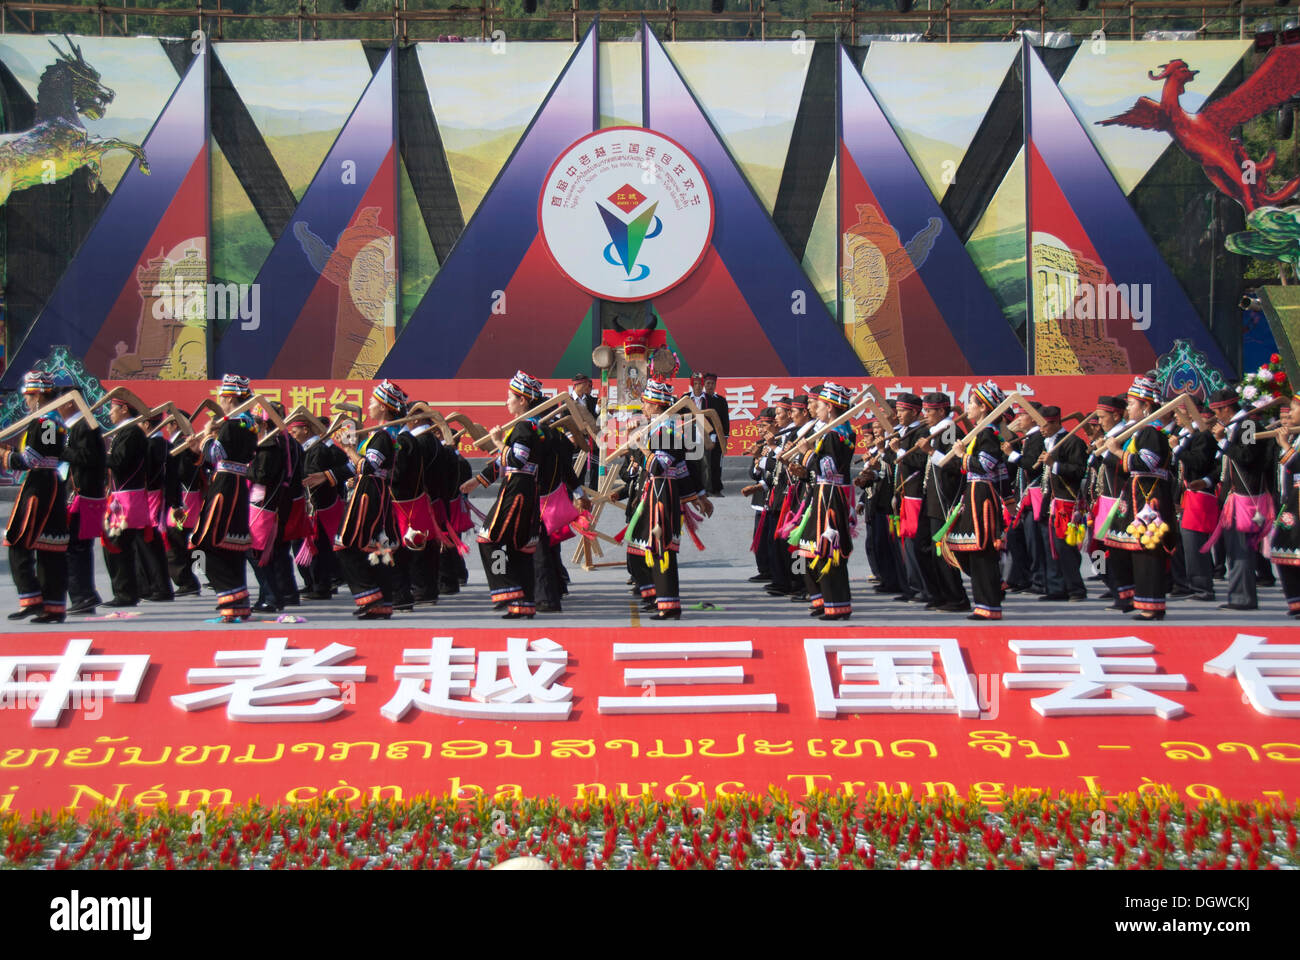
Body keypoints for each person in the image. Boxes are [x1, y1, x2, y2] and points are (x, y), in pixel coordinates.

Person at [624, 377, 713, 619]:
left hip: (662, 495)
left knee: (660, 548)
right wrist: (697, 497)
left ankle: (668, 605)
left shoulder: (666, 430)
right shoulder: (657, 428)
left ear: (656, 405)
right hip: (654, 493)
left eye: (646, 403)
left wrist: (640, 447)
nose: (643, 407)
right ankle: (654, 596)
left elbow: (659, 467)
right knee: (638, 548)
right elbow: (683, 469)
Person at [462, 370, 547, 619]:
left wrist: (498, 441)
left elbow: (516, 460)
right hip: (524, 488)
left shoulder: (524, 427)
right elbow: (504, 462)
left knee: (491, 539)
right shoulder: (528, 426)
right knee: (518, 548)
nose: (506, 402)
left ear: (523, 400)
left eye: (509, 397)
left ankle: (506, 588)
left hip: (517, 490)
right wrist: (477, 480)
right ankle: (523, 603)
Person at [185, 374, 258, 622]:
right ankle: (238, 603)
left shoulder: (231, 423)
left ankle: (230, 594)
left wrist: (205, 436)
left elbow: (216, 455)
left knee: (205, 541)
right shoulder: (249, 424)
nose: (220, 399)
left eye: (222, 395)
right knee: (231, 544)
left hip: (225, 485)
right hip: (239, 485)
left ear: (229, 397)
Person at [1102, 376, 1175, 621]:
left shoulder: (1151, 432)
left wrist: (1116, 451)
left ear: (1145, 406)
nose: (1128, 408)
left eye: (1132, 404)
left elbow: (1148, 462)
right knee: (1123, 547)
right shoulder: (1138, 432)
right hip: (1135, 496)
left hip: (1149, 499)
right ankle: (1130, 596)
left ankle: (1151, 605)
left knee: (1148, 550)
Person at [2, 371, 69, 623]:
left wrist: (4, 457)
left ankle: (31, 598)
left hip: (39, 486)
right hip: (49, 483)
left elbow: (31, 460)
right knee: (48, 546)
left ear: (41, 395)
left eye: (30, 396)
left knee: (18, 540)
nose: (27, 401)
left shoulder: (45, 423)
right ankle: (52, 608)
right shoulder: (53, 422)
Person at [335, 381, 405, 619]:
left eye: (373, 402)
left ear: (384, 408)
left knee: (346, 543)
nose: (369, 405)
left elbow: (367, 465)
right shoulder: (384, 434)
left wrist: (348, 448)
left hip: (369, 492)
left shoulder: (384, 436)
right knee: (377, 546)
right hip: (374, 489)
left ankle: (370, 595)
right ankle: (381, 601)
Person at [788, 383, 855, 620]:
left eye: (819, 405)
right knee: (806, 550)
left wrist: (807, 453)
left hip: (829, 498)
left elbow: (829, 468)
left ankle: (837, 605)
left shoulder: (838, 434)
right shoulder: (829, 432)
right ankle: (821, 599)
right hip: (819, 494)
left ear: (830, 407)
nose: (814, 408)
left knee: (827, 550)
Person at [946, 381, 1012, 621]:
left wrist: (963, 456)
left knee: (981, 550)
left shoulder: (989, 434)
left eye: (972, 403)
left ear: (983, 408)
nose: (968, 407)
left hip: (982, 496)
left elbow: (984, 465)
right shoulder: (980, 433)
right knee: (968, 550)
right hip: (973, 493)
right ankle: (988, 595)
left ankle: (989, 604)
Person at [1209, 387, 1272, 611]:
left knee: (1241, 550)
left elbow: (1246, 455)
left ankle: (1243, 598)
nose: (1216, 417)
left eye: (1217, 411)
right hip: (1233, 497)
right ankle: (1238, 595)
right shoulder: (1235, 427)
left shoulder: (1247, 425)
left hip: (1245, 498)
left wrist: (1223, 441)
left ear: (1226, 408)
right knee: (1234, 550)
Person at [103, 395, 168, 608]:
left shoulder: (131, 432)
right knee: (129, 545)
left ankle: (126, 593)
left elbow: (120, 462)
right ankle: (135, 589)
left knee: (118, 545)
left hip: (127, 499)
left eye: (112, 408)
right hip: (123, 497)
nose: (109, 413)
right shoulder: (126, 432)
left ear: (123, 410)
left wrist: (98, 456)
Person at [915, 392, 970, 612]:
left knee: (942, 550)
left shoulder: (950, 431)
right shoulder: (935, 432)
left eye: (929, 411)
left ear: (941, 411)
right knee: (923, 547)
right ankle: (937, 592)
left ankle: (956, 597)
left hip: (944, 499)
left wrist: (930, 452)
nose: (925, 415)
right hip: (930, 498)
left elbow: (956, 466)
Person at [293, 413, 351, 600]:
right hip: (309, 506)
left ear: (306, 430)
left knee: (317, 548)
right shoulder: (307, 449)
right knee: (307, 548)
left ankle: (321, 586)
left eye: (295, 431)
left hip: (317, 507)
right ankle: (313, 584)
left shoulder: (318, 450)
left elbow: (312, 477)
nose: (293, 434)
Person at [60, 388, 106, 616]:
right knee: (79, 548)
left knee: (76, 548)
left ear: (70, 403)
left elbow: (88, 458)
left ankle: (83, 595)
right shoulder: (78, 427)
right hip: (81, 495)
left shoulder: (85, 426)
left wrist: (61, 450)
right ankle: (85, 594)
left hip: (83, 496)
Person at [1036, 406, 1088, 602]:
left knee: (1066, 547)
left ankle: (1076, 589)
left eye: (1045, 425)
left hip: (1067, 502)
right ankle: (1057, 588)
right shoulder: (1047, 442)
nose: (1042, 429)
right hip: (1050, 500)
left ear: (1056, 423)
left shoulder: (1073, 442)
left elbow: (1079, 470)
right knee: (1052, 547)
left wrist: (1054, 464)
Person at [1271, 392, 1300, 615]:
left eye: (1293, 408)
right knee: (1284, 550)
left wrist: (1284, 445)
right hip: (1292, 501)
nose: (1289, 414)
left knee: (1290, 548)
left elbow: (1296, 464)